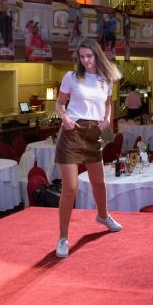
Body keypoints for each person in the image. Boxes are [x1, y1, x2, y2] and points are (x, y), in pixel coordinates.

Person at [54, 38, 122, 258]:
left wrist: (107, 119)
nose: (85, 60)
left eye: (89, 56)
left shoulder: (106, 79)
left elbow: (108, 103)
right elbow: (59, 104)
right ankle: (63, 237)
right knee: (70, 188)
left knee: (99, 182)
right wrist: (64, 118)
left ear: (97, 55)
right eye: (81, 57)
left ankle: (103, 216)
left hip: (93, 134)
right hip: (72, 132)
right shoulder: (71, 77)